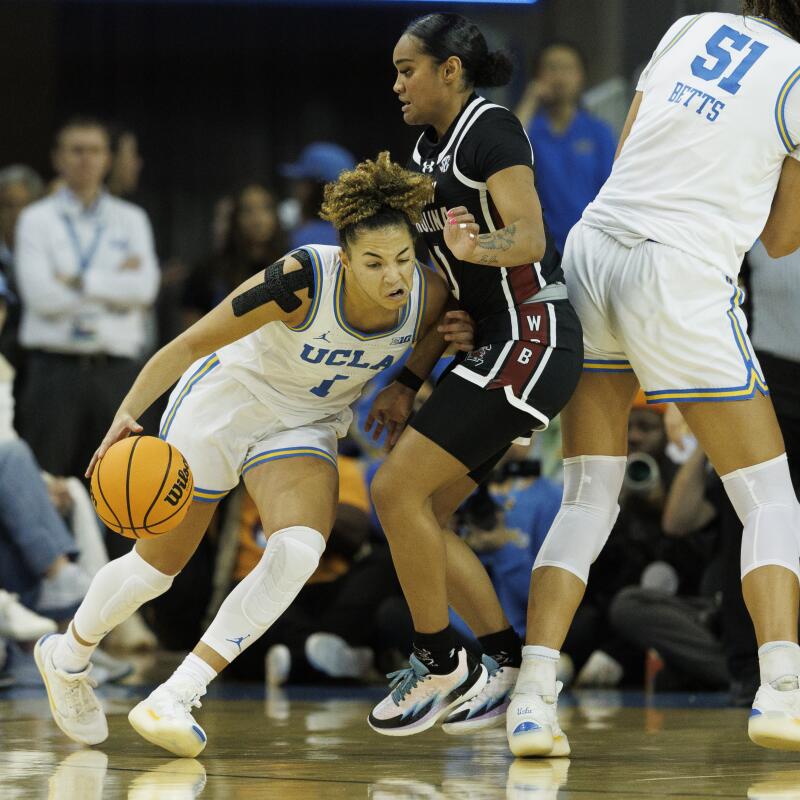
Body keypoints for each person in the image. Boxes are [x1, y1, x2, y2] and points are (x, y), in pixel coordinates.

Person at [33, 152, 475, 758]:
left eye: (401, 258)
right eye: (374, 262)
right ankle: (67, 655)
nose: (393, 275)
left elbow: (434, 331)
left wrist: (407, 383)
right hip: (229, 399)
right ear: (345, 260)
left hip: (304, 421)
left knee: (297, 548)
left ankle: (178, 693)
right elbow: (189, 341)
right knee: (158, 569)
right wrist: (126, 415)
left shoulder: (427, 291)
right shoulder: (301, 279)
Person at [509, 3, 800, 758]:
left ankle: (533, 700)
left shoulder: (690, 26)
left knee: (586, 493)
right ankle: (782, 693)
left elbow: (633, 147)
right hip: (677, 273)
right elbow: (780, 236)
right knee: (768, 495)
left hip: (594, 248)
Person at [367, 13, 583, 738]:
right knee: (421, 513)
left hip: (532, 338)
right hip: (492, 342)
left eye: (407, 68)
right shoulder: (423, 153)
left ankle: (437, 660)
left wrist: (478, 246)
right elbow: (447, 283)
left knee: (394, 488)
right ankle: (504, 661)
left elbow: (528, 235)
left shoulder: (491, 130)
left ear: (449, 72)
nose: (397, 82)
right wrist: (406, 378)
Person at [14, 116, 160, 477]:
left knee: (125, 488)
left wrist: (78, 281)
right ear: (58, 159)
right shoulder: (36, 219)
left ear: (107, 159)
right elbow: (41, 298)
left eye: (95, 150)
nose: (86, 159)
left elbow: (143, 290)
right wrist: (114, 283)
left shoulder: (132, 219)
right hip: (54, 372)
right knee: (48, 487)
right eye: (76, 150)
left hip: (117, 374)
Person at [514, 42, 616, 255]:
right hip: (540, 250)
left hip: (589, 248)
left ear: (581, 77)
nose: (559, 77)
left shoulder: (599, 133)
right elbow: (507, 151)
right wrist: (530, 99)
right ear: (537, 76)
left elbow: (614, 192)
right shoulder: (529, 128)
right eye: (551, 68)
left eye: (568, 69)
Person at [183, 184, 288, 324]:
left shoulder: (290, 265)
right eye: (248, 210)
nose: (258, 219)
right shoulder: (208, 271)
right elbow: (191, 333)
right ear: (235, 218)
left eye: (265, 208)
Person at [280, 142, 356, 250]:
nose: (296, 189)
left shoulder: (305, 241)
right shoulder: (361, 234)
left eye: (302, 182)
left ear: (313, 189)